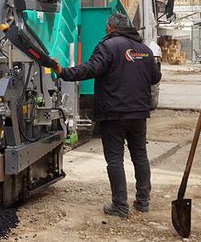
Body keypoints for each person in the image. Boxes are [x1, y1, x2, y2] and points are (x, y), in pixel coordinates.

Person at [52, 12, 162, 218]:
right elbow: (155, 77)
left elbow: (90, 69)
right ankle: (143, 201)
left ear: (110, 28)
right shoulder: (145, 50)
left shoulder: (108, 46)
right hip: (138, 113)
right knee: (140, 156)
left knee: (115, 159)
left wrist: (63, 72)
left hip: (114, 114)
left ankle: (120, 206)